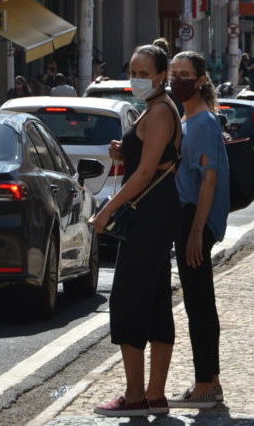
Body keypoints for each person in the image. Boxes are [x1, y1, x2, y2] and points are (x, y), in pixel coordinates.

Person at [92, 45, 182, 417]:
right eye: (133, 71)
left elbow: (146, 173)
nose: (136, 78)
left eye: (144, 72)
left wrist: (107, 209)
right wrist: (125, 151)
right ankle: (154, 394)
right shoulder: (156, 109)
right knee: (156, 299)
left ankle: (134, 396)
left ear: (162, 75)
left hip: (148, 215)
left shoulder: (160, 111)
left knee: (129, 300)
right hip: (156, 214)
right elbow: (149, 160)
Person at [166, 51, 230, 409]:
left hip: (195, 219)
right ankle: (209, 380)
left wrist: (195, 231)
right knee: (197, 303)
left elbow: (209, 181)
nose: (178, 80)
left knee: (200, 305)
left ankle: (205, 382)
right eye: (174, 74)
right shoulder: (188, 118)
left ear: (201, 80)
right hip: (189, 217)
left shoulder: (203, 123)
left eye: (185, 74)